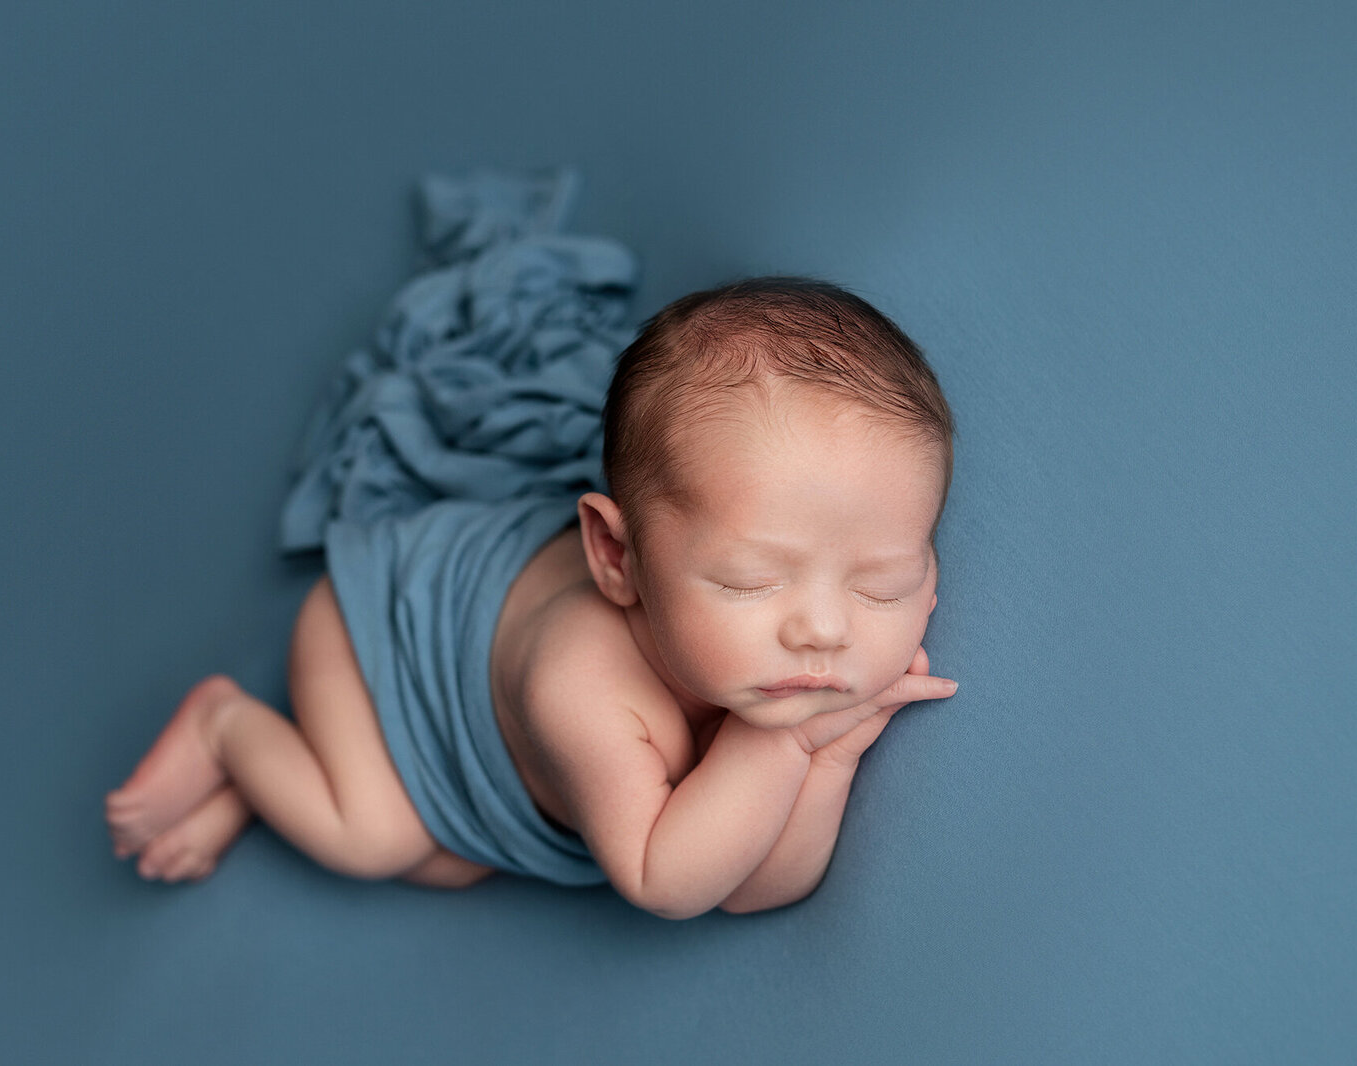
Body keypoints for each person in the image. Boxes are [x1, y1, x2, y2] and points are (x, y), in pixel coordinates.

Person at [106, 275, 958, 919]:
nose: (823, 628)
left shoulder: (760, 663)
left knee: (455, 862)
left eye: (883, 582)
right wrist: (780, 752)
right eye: (749, 581)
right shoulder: (584, 688)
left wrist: (827, 756)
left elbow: (752, 888)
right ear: (617, 557)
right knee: (377, 836)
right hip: (387, 639)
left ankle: (257, 795)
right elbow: (670, 881)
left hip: (500, 729)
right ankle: (229, 730)